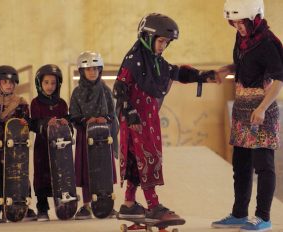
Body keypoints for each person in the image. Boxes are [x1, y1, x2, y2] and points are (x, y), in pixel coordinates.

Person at [113, 13, 217, 222]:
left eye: (166, 43)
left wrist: (200, 76)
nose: (163, 46)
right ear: (147, 37)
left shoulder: (155, 61)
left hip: (147, 119)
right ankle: (153, 206)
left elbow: (175, 72)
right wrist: (130, 111)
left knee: (136, 160)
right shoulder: (134, 61)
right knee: (148, 157)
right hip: (136, 120)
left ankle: (129, 204)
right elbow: (119, 88)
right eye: (160, 41)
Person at [211, 0, 283, 231]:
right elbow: (243, 65)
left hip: (262, 109)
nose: (238, 27)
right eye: (234, 23)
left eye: (242, 23)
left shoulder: (269, 42)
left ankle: (263, 217)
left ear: (255, 19)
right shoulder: (242, 38)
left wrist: (262, 107)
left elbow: (280, 78)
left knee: (263, 165)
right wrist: (226, 69)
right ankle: (239, 214)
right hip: (242, 107)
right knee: (240, 165)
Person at [70, 51, 118, 220]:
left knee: (104, 171)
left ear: (100, 71)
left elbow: (112, 114)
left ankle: (106, 204)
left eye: (95, 69)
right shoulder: (77, 93)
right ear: (82, 72)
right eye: (88, 69)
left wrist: (104, 119)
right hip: (85, 138)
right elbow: (73, 116)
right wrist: (87, 120)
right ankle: (86, 205)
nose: (92, 72)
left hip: (104, 139)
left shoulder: (105, 90)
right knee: (87, 171)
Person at [0, 65, 37, 221]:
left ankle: (23, 207)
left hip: (17, 149)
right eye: (4, 81)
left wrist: (25, 122)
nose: (9, 85)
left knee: (20, 175)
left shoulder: (21, 103)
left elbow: (28, 124)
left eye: (11, 82)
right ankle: (0, 207)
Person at [30, 64, 69, 221]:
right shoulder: (35, 103)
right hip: (42, 147)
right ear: (40, 83)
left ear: (58, 84)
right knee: (41, 175)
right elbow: (34, 123)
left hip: (60, 147)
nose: (50, 86)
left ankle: (62, 205)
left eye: (53, 83)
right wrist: (47, 123)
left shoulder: (62, 103)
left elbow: (67, 120)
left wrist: (66, 123)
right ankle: (42, 208)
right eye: (46, 82)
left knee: (60, 174)